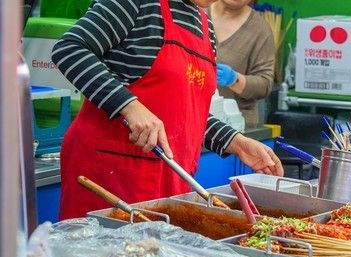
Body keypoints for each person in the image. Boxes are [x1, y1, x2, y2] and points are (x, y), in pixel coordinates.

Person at [51, 0, 283, 220]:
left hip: (170, 181)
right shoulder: (137, 4)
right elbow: (69, 49)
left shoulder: (204, 24)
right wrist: (129, 106)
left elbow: (186, 112)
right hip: (111, 176)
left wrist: (236, 142)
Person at [209, 0, 275, 128]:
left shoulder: (260, 30)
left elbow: (265, 84)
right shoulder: (196, 13)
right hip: (192, 116)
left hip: (236, 125)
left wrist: (235, 79)